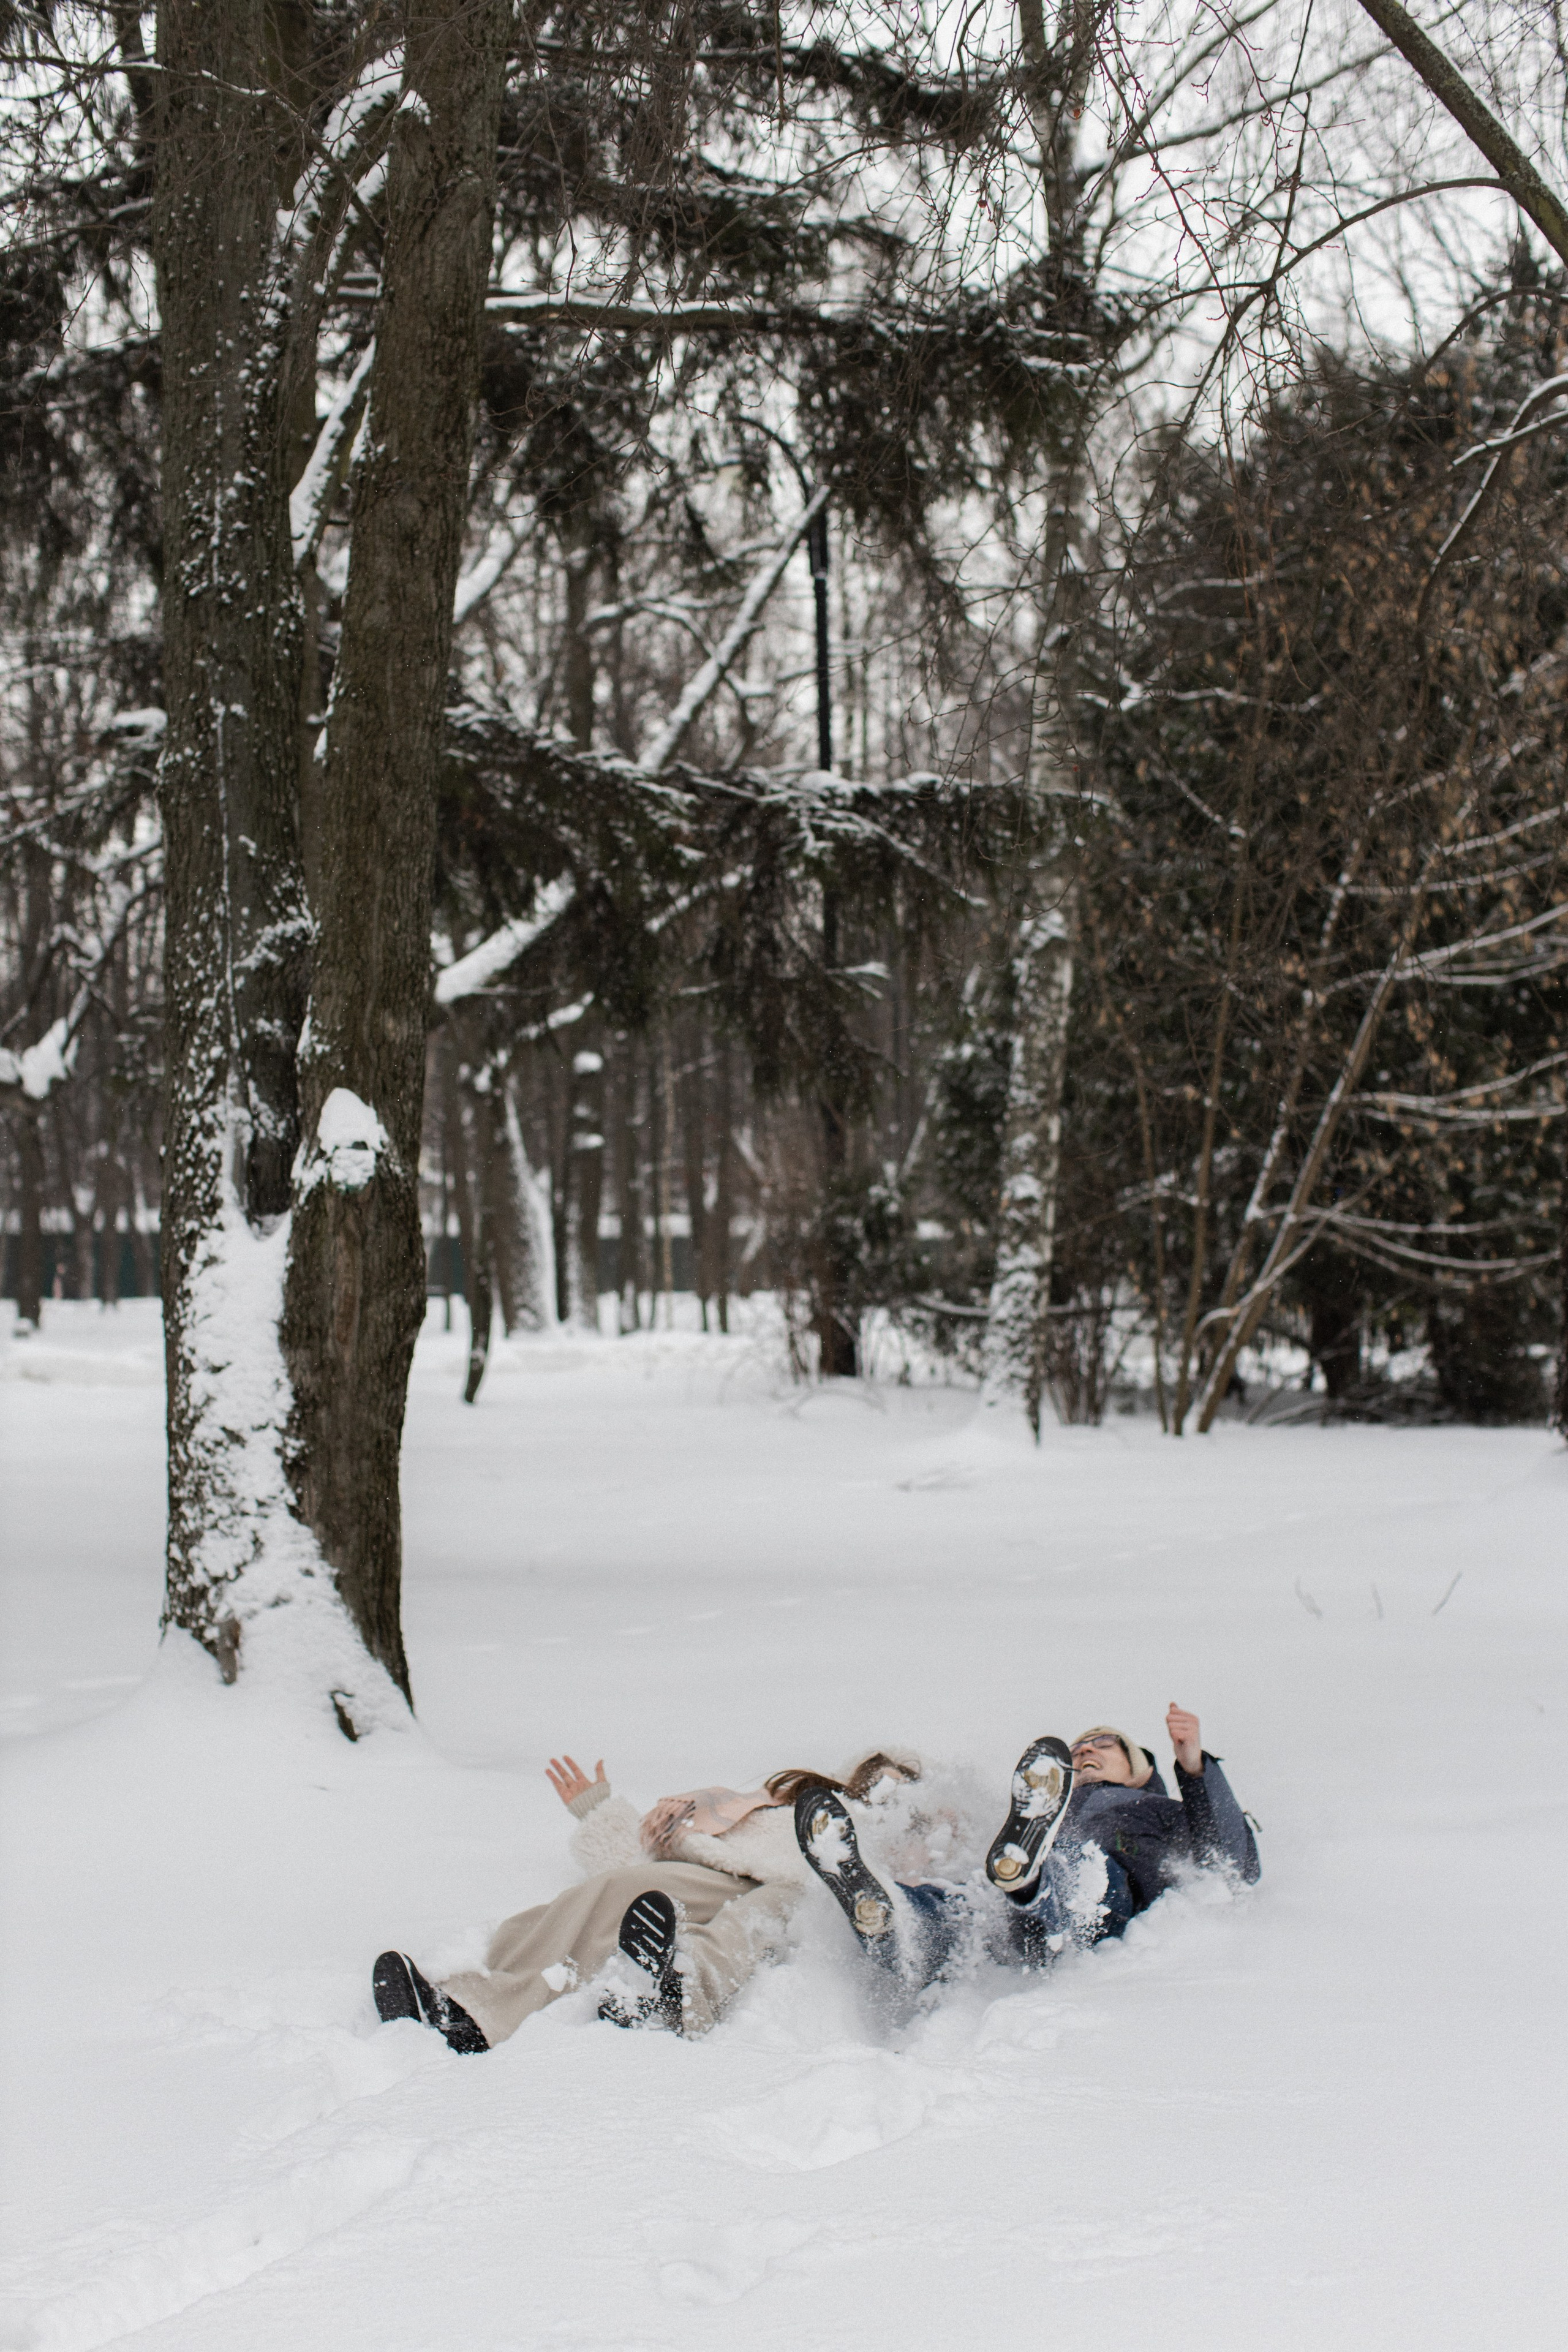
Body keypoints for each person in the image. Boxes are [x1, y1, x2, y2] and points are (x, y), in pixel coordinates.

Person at [372, 1746, 920, 2051]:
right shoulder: (778, 1807)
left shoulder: (902, 1841)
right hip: (727, 1875)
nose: (884, 1790)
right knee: (614, 1891)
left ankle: (673, 1996)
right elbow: (649, 1864)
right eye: (877, 1779)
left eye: (899, 1787)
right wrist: (599, 1813)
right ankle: (472, 2007)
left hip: (809, 1898)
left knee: (757, 1919)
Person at [795, 1703, 1259, 1988]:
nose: (1086, 1751)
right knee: (964, 1902)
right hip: (1019, 1917)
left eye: (1104, 1745)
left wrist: (1196, 1768)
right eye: (1077, 1751)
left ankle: (1029, 1877)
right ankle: (893, 1919)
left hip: (1106, 1905)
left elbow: (1235, 1866)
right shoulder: (1043, 1811)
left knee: (1082, 1865)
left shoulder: (1161, 1810)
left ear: (1139, 1772)